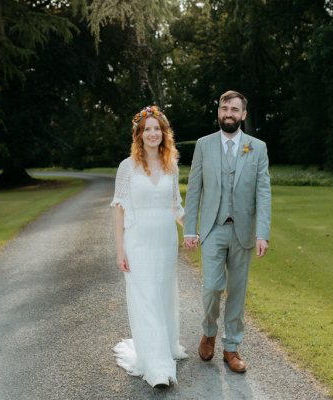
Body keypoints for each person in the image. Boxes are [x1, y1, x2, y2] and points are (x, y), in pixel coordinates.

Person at [183, 90, 271, 373]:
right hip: (212, 229)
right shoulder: (203, 145)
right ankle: (208, 332)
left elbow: (263, 192)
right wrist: (189, 229)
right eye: (224, 108)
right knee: (211, 287)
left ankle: (232, 347)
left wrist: (262, 233)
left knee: (237, 291)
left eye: (234, 109)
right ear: (219, 112)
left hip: (243, 231)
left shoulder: (257, 147)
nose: (228, 113)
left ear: (243, 114)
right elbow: (194, 188)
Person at [111, 105, 188, 388]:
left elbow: (176, 208)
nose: (153, 133)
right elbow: (119, 210)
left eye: (157, 128)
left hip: (166, 242)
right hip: (138, 242)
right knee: (145, 300)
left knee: (163, 296)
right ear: (139, 135)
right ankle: (156, 368)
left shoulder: (171, 165)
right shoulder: (126, 167)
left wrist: (193, 231)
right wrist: (120, 250)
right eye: (147, 129)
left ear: (164, 133)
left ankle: (163, 349)